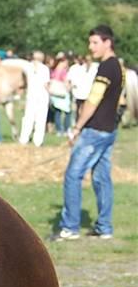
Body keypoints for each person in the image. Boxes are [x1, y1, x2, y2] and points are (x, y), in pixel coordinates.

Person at [50, 25, 125, 242]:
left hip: (95, 132)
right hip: (109, 130)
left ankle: (70, 227)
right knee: (102, 178)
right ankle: (104, 227)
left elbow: (93, 101)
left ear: (107, 42)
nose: (90, 47)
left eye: (94, 42)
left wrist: (76, 127)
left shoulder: (105, 68)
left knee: (73, 176)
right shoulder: (118, 67)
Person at [19, 50, 50, 147]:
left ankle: (23, 139)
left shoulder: (27, 67)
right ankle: (38, 141)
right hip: (42, 95)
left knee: (28, 117)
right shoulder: (45, 68)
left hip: (31, 94)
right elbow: (46, 84)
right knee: (40, 119)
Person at [49, 52, 72, 135]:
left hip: (54, 94)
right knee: (67, 112)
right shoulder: (63, 72)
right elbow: (66, 82)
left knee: (57, 112)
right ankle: (66, 129)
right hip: (62, 94)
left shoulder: (53, 71)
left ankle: (59, 130)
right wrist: (70, 88)